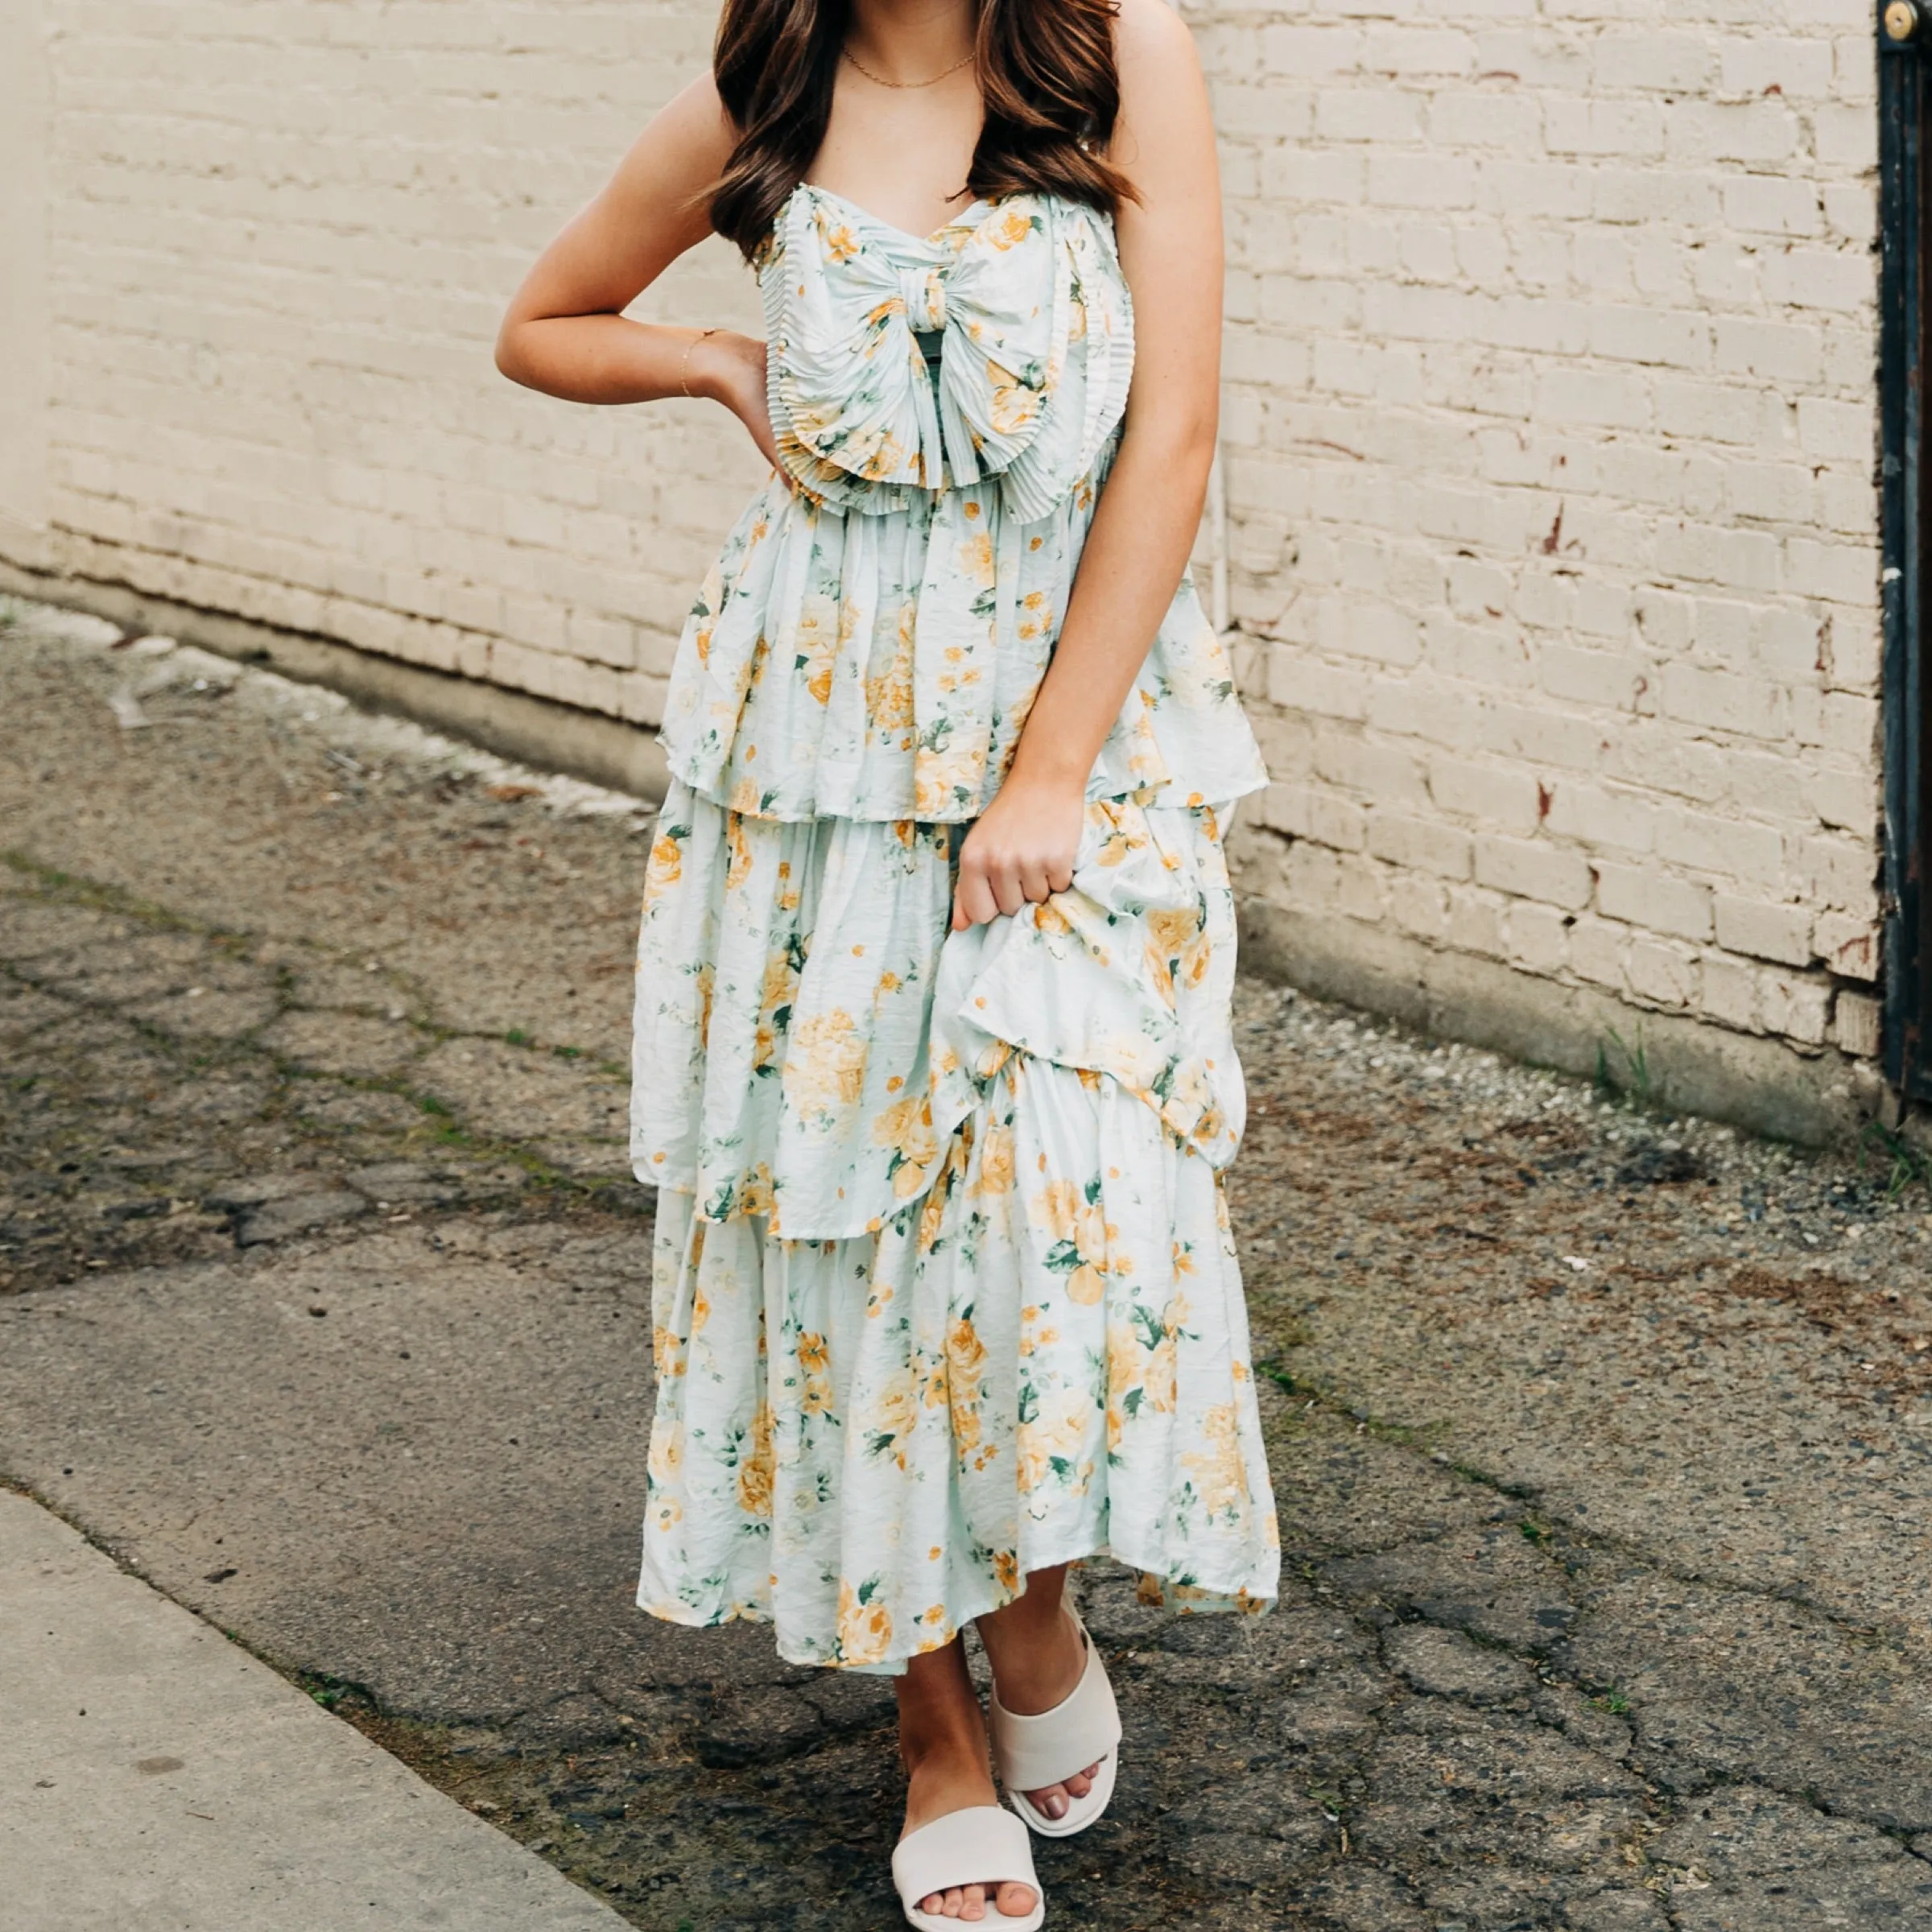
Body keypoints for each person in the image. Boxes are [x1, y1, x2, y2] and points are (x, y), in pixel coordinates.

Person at [497, 0, 1278, 1919]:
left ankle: (1033, 1610)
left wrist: (1055, 767)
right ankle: (933, 1723)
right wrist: (711, 360)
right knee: (845, 1218)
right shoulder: (763, 93)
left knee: (1052, 1204)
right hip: (815, 766)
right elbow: (543, 322)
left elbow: (1170, 436)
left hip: (1066, 739)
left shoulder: (1117, 51)